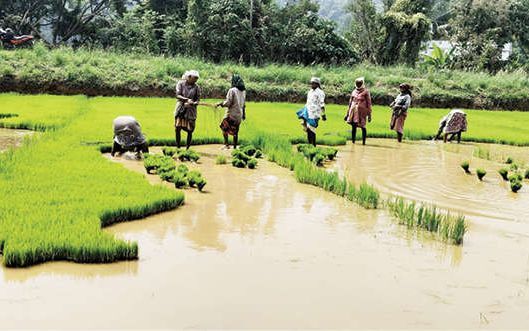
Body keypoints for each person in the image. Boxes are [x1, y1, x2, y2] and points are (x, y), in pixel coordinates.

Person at [216, 74, 246, 149]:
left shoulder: (232, 90)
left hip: (231, 114)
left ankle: (226, 144)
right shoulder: (243, 91)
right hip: (239, 115)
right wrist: (244, 115)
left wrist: (220, 103)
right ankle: (235, 147)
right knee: (235, 131)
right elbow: (244, 104)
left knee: (223, 127)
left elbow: (228, 103)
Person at [296, 77, 326, 146]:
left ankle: (313, 145)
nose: (311, 85)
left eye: (313, 83)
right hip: (308, 111)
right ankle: (310, 144)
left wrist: (323, 114)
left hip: (315, 113)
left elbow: (322, 104)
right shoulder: (310, 92)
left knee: (312, 129)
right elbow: (308, 102)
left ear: (317, 84)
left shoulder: (320, 93)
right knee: (308, 129)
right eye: (311, 83)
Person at [174, 70, 201, 150]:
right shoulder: (181, 84)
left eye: (197, 78)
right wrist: (186, 100)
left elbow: (198, 99)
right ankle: (178, 147)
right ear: (189, 77)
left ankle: (187, 148)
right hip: (181, 108)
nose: (196, 80)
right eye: (194, 78)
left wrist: (195, 103)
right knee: (178, 128)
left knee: (190, 130)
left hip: (191, 110)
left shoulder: (197, 87)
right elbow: (177, 95)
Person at [345, 77, 372, 145]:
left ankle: (363, 142)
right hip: (353, 111)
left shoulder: (366, 92)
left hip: (361, 112)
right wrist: (347, 113)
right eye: (357, 83)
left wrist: (369, 115)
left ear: (362, 83)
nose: (358, 84)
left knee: (363, 126)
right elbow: (350, 102)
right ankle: (353, 142)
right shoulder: (354, 91)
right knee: (353, 126)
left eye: (360, 83)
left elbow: (369, 103)